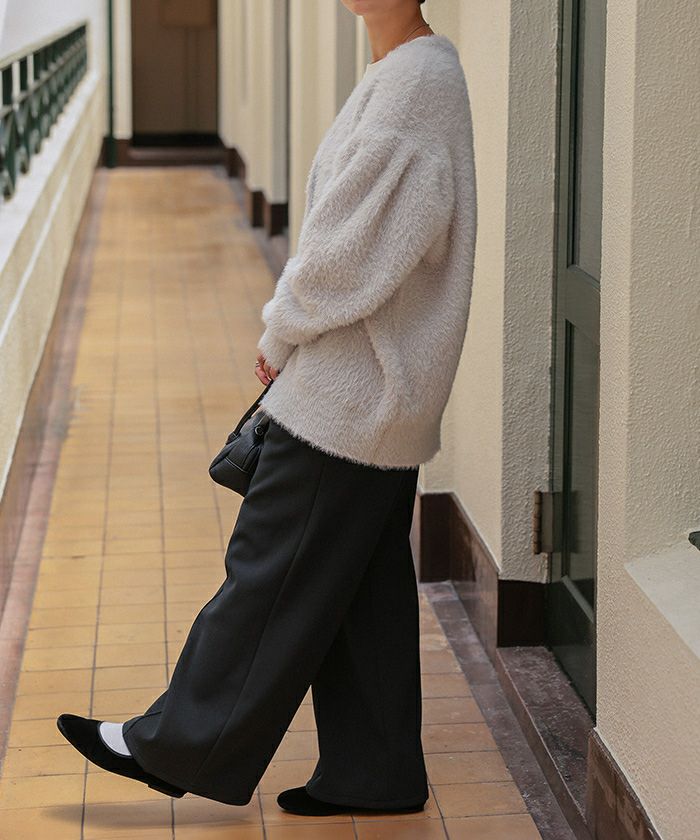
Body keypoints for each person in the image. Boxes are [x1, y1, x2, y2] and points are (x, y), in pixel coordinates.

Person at [56, 0, 477, 818]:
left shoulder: (417, 84)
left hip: (352, 392)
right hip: (374, 389)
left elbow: (352, 247)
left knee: (268, 566)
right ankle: (375, 771)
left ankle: (175, 743)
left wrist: (282, 330)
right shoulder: (405, 72)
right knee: (361, 591)